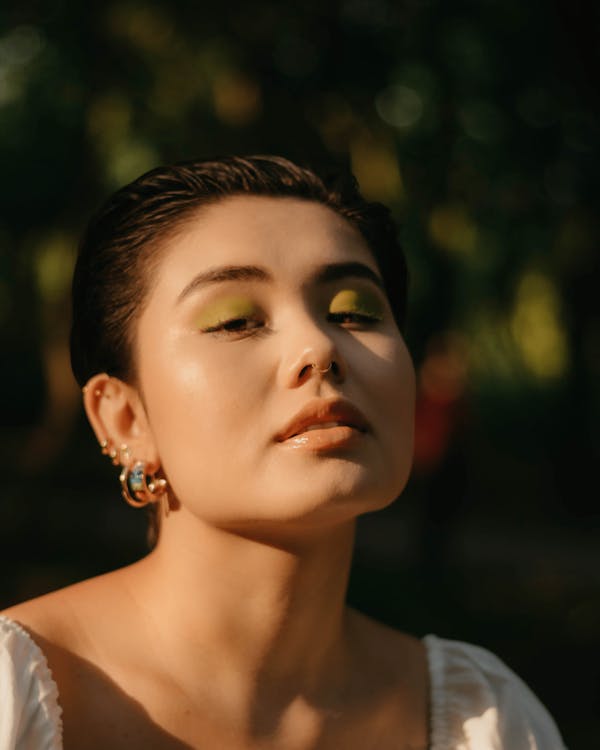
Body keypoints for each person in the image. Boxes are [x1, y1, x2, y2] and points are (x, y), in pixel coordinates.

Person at [0, 156, 565, 749]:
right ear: (126, 418)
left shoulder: (483, 721)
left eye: (354, 311)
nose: (319, 346)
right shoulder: (19, 697)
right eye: (235, 320)